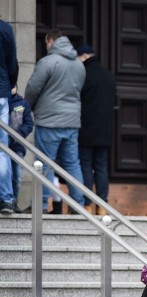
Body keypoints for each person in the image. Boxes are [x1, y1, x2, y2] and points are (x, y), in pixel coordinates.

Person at [25, 29, 87, 214]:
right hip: (72, 121)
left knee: (44, 163)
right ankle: (78, 206)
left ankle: (41, 205)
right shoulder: (79, 65)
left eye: (46, 43)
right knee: (72, 164)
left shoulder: (47, 62)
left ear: (50, 41)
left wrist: (29, 107)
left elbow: (32, 88)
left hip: (49, 121)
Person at [77, 43, 116, 214]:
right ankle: (102, 206)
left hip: (86, 128)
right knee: (101, 166)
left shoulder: (82, 75)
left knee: (85, 164)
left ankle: (87, 203)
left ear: (84, 56)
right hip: (105, 130)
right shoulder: (109, 76)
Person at [0, 15, 17, 215]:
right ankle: (6, 199)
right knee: (2, 149)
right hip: (2, 91)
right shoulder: (5, 29)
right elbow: (12, 63)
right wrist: (11, 83)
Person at [8, 86, 33, 211]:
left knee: (17, 175)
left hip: (17, 145)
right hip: (3, 145)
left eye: (13, 86)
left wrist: (18, 135)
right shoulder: (3, 102)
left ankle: (14, 202)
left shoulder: (22, 103)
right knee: (4, 174)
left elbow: (29, 123)